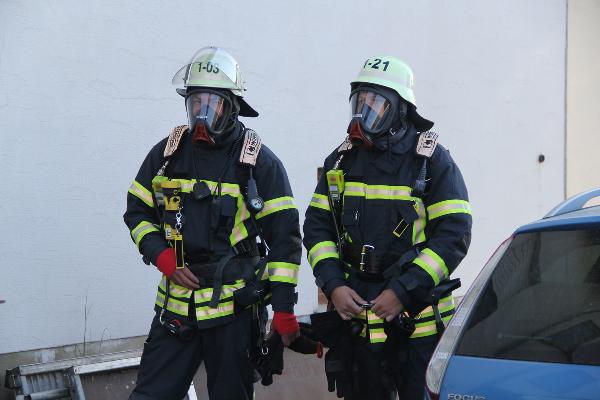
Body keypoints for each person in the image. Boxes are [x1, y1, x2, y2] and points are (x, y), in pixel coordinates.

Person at [124, 46, 302, 400]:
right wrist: (163, 257)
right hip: (176, 308)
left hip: (233, 314)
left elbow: (285, 242)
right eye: (195, 103)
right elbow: (137, 211)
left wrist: (284, 310)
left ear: (232, 106)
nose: (201, 113)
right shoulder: (168, 155)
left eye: (212, 103)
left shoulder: (258, 164)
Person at [303, 55, 472, 399]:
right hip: (359, 325)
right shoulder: (341, 160)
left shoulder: (432, 160)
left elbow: (454, 235)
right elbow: (317, 228)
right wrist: (334, 285)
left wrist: (403, 292)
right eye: (359, 102)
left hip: (418, 327)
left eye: (375, 103)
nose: (363, 113)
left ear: (400, 110)